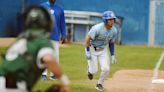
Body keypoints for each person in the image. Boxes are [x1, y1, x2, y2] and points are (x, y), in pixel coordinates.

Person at [0, 6, 69, 92]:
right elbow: (48, 59)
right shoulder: (42, 40)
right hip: (15, 87)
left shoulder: (20, 39)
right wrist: (64, 81)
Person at [85, 11, 117, 91]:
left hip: (103, 50)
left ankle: (99, 83)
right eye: (110, 19)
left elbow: (111, 43)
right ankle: (90, 70)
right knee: (94, 70)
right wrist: (87, 51)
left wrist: (112, 55)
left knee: (106, 69)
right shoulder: (97, 28)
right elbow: (87, 39)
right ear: (105, 20)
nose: (112, 21)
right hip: (92, 49)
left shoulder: (114, 31)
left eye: (113, 19)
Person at [41, 0, 67, 80]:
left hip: (55, 36)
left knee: (55, 56)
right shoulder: (42, 7)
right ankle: (43, 74)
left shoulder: (60, 9)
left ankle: (54, 74)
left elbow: (62, 23)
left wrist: (63, 35)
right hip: (43, 36)